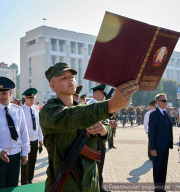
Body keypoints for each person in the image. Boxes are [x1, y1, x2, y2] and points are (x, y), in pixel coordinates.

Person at [39, 62, 139, 192]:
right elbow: (71, 116)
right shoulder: (49, 112)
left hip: (91, 182)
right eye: (63, 77)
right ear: (52, 85)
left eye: (72, 77)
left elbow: (106, 130)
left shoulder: (85, 109)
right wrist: (111, 104)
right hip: (66, 185)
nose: (70, 80)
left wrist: (103, 131)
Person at [0, 77, 30, 190]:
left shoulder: (18, 110)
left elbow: (24, 132)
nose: (1, 96)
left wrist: (25, 152)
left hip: (15, 154)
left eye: (4, 93)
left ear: (10, 93)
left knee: (13, 187)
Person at [88, 84, 111, 192]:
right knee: (95, 167)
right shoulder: (89, 106)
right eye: (103, 94)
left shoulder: (99, 105)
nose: (104, 96)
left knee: (100, 166)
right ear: (96, 93)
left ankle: (99, 187)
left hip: (100, 141)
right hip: (93, 142)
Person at [149, 94, 173, 191]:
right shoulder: (154, 114)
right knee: (158, 169)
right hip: (157, 148)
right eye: (164, 100)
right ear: (158, 102)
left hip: (165, 146)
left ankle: (162, 188)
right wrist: (152, 148)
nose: (166, 102)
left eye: (166, 100)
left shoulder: (165, 113)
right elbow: (151, 133)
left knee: (163, 169)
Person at [21, 88, 44, 185]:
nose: (32, 100)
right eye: (29, 98)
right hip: (25, 141)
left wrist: (41, 139)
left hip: (35, 140)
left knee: (33, 162)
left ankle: (29, 180)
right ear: (25, 99)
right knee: (25, 163)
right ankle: (24, 182)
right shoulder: (21, 110)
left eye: (33, 98)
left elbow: (39, 125)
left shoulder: (35, 109)